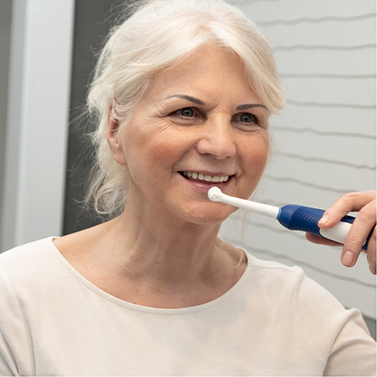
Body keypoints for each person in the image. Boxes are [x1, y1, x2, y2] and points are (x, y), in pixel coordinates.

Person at [0, 0, 375, 375]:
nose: (222, 146)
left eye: (246, 118)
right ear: (115, 128)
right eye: (187, 112)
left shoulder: (308, 316)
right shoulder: (15, 299)